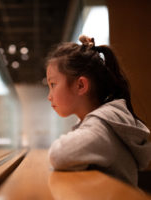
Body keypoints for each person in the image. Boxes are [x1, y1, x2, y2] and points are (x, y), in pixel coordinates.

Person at [46, 35, 151, 186]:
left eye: (53, 84)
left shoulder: (101, 126)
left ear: (81, 86)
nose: (49, 96)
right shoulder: (102, 122)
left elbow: (59, 155)